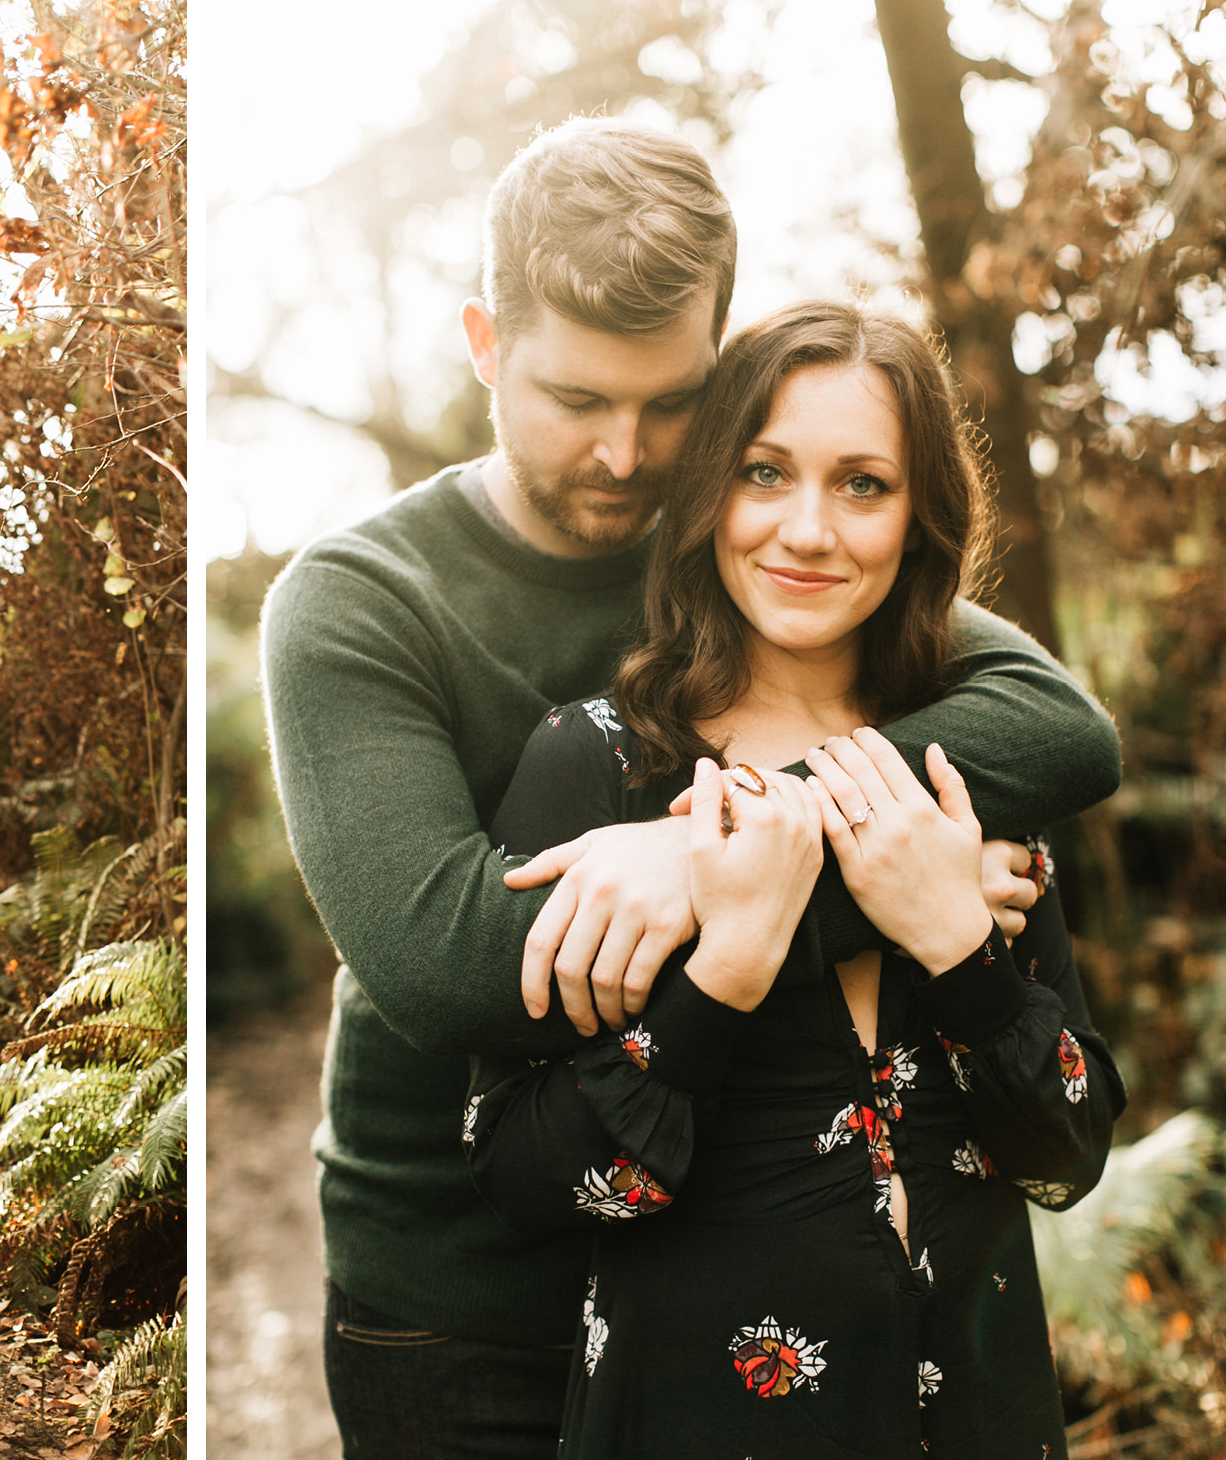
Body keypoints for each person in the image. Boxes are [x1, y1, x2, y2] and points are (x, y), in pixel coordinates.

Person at [258, 119, 1124, 1457]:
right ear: (487, 346)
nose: (624, 453)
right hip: (465, 1298)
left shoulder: (773, 532)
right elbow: (448, 961)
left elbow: (1057, 726)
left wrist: (742, 847)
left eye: (669, 404)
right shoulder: (364, 597)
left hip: (764, 1300)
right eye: (574, 399)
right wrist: (773, 871)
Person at [467, 301, 1123, 1455]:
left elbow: (1069, 1147)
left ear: (919, 513)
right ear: (708, 490)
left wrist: (956, 947)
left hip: (979, 1412)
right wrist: (720, 972)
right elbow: (525, 1181)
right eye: (764, 473)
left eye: (862, 483)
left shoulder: (967, 761)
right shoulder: (604, 767)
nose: (807, 529)